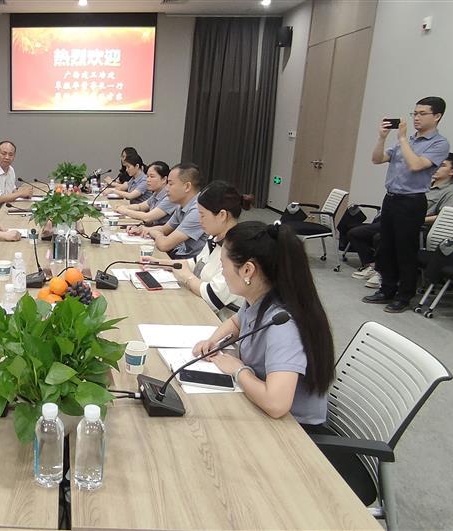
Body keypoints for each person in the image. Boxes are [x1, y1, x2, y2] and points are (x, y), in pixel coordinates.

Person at [191, 221, 334, 427]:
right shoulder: (261, 297)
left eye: (223, 265)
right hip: (263, 409)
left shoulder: (283, 326)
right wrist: (212, 341)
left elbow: (276, 405)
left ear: (247, 270)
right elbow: (237, 322)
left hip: (296, 430)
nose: (222, 272)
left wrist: (238, 370)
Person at [364, 96, 450, 313]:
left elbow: (415, 165)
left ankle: (404, 295)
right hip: (391, 198)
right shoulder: (407, 140)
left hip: (411, 202)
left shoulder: (439, 143)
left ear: (437, 116)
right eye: (415, 113)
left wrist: (402, 139)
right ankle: (387, 288)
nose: (416, 118)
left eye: (422, 114)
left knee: (405, 250)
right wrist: (382, 138)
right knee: (386, 247)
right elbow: (377, 159)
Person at [350, 152, 453, 288]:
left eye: (442, 165)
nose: (436, 167)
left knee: (382, 237)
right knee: (356, 233)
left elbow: (443, 217)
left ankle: (383, 274)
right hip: (399, 220)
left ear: (452, 171)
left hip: (418, 228)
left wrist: (417, 219)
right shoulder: (423, 185)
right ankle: (372, 266)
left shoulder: (450, 192)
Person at [171, 180, 250, 318]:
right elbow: (195, 263)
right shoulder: (215, 237)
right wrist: (160, 263)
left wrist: (187, 277)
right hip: (200, 308)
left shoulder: (239, 249)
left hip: (218, 320)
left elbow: (213, 297)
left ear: (222, 215)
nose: (200, 220)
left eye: (202, 215)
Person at [128, 162, 207, 259]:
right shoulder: (181, 206)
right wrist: (143, 230)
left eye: (170, 184)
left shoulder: (197, 210)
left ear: (187, 187)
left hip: (190, 263)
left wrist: (156, 233)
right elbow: (164, 229)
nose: (166, 188)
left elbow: (164, 245)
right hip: (179, 255)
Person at [0, 141, 33, 216]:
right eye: (4, 153)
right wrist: (21, 193)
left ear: (14, 157)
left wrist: (25, 194)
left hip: (6, 209)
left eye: (11, 154)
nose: (7, 157)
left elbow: (12, 190)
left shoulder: (11, 170)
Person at [114, 161, 175, 225]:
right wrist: (124, 207)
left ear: (164, 179)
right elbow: (140, 207)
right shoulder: (156, 194)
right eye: (147, 176)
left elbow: (148, 217)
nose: (148, 180)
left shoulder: (169, 198)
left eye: (152, 176)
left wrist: (125, 211)